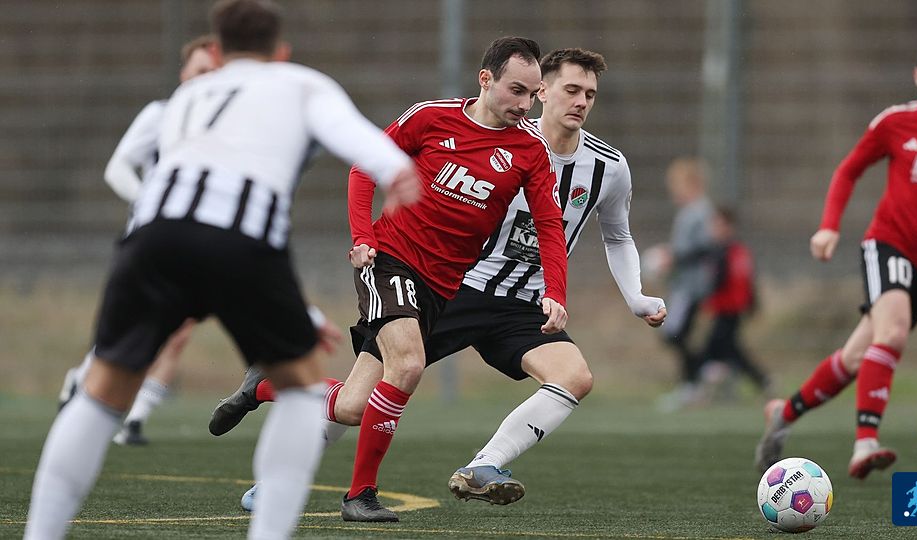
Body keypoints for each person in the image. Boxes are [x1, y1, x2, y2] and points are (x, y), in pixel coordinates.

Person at [23, 1, 420, 539]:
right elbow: (361, 143)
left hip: (150, 241)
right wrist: (395, 172)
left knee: (100, 394)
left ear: (215, 51)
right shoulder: (301, 84)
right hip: (240, 242)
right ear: (281, 53)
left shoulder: (185, 98)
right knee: (303, 393)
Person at [213, 47, 667, 516]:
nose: (581, 101)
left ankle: (484, 465)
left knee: (575, 377)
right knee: (358, 401)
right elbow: (369, 165)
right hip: (453, 287)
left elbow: (586, 231)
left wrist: (613, 295)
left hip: (520, 305)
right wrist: (365, 235)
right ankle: (285, 476)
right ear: (541, 90)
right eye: (571, 89)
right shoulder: (464, 123)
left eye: (590, 94)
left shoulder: (597, 165)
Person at [755, 37, 917, 480]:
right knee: (893, 332)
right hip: (888, 245)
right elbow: (849, 170)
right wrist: (829, 225)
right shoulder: (896, 122)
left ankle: (783, 414)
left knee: (855, 358)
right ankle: (865, 442)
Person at [56, 34, 219, 446]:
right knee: (134, 328)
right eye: (201, 70)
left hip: (196, 243)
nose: (208, 79)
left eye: (215, 71)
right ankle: (82, 382)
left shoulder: (224, 126)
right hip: (152, 243)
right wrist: (154, 205)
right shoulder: (160, 115)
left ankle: (134, 421)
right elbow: (118, 168)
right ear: (184, 73)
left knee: (177, 331)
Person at [647, 158, 715, 411]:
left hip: (692, 287)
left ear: (692, 184)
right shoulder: (689, 212)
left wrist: (672, 257)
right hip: (682, 285)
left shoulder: (700, 211)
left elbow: (705, 247)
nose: (674, 193)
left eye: (677, 187)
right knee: (676, 333)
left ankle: (698, 377)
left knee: (674, 333)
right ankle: (697, 379)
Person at [697, 206, 770, 401]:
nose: (714, 229)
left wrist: (703, 299)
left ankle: (703, 387)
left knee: (717, 349)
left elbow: (728, 281)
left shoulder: (727, 252)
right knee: (728, 349)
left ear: (729, 227)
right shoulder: (735, 251)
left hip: (729, 309)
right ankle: (751, 383)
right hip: (728, 309)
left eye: (718, 225)